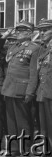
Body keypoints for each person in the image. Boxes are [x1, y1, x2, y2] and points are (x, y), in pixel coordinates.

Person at [1, 21, 40, 156]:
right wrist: (6, 34)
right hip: (9, 89)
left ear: (29, 33)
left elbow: (34, 72)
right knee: (11, 122)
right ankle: (13, 148)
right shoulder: (12, 47)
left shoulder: (34, 48)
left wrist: (30, 91)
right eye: (16, 30)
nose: (17, 33)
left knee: (23, 122)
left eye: (21, 31)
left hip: (22, 90)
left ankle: (25, 149)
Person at [36, 19, 52, 153]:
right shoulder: (43, 47)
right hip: (43, 91)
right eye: (40, 30)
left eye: (45, 30)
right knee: (44, 124)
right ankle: (46, 149)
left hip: (50, 91)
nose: (41, 33)